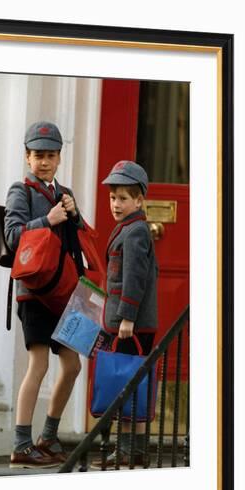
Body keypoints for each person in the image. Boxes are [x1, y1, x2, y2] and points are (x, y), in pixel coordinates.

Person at [4, 121, 83, 469]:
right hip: (34, 293)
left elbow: (77, 244)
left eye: (50, 155)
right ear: (27, 157)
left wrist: (75, 217)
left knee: (73, 363)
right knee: (39, 363)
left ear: (59, 158)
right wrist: (48, 220)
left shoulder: (65, 192)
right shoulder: (20, 191)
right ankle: (22, 443)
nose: (44, 162)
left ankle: (48, 437)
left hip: (65, 292)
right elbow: (12, 235)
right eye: (38, 156)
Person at [91, 160, 158, 468]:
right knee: (133, 383)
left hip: (131, 324)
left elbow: (134, 278)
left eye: (123, 198)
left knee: (128, 385)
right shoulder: (127, 229)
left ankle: (128, 451)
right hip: (126, 322)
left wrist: (127, 318)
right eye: (112, 198)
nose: (115, 204)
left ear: (139, 200)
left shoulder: (135, 232)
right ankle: (136, 451)